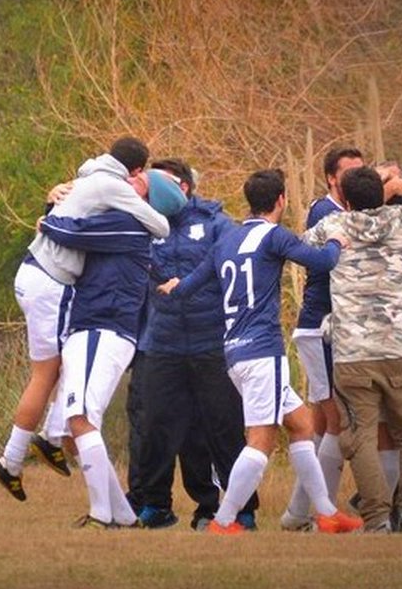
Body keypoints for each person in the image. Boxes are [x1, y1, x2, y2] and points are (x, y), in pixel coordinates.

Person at [159, 169, 362, 535]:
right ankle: (223, 522)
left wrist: (173, 284)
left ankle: (327, 514)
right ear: (281, 200)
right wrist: (335, 240)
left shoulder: (227, 239)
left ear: (250, 201)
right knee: (261, 441)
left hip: (235, 350)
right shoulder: (275, 236)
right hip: (261, 351)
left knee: (300, 425)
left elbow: (189, 286)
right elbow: (323, 263)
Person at [0, 136, 171, 501]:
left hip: (34, 274)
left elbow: (70, 207)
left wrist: (52, 199)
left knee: (60, 367)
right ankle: (19, 455)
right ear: (134, 170)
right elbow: (159, 226)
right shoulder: (113, 185)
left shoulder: (87, 173)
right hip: (51, 279)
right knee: (49, 373)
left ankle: (48, 439)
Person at [38, 170, 187, 528]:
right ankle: (121, 514)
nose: (130, 180)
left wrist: (47, 215)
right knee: (80, 426)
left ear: (149, 199)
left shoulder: (127, 223)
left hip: (99, 328)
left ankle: (100, 515)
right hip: (98, 329)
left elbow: (65, 230)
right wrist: (55, 195)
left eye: (140, 182)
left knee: (81, 419)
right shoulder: (128, 221)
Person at [128, 159, 259, 531]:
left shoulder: (217, 224)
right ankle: (155, 505)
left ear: (182, 187)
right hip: (161, 344)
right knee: (155, 427)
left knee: (222, 428)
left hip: (210, 342)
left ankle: (233, 509)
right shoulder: (143, 224)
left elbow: (236, 270)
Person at [303, 167, 402, 532]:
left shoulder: (335, 224)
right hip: (398, 349)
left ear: (345, 199)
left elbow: (303, 243)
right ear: (382, 194)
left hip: (352, 353)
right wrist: (400, 188)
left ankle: (376, 518)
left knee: (359, 434)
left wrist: (366, 193)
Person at [284, 146, 365, 531]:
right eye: (348, 173)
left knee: (320, 418)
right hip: (319, 325)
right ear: (332, 178)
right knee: (336, 420)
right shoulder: (325, 210)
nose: (355, 179)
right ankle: (324, 514)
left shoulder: (352, 213)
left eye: (361, 172)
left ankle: (297, 513)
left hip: (335, 328)